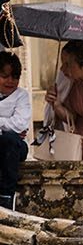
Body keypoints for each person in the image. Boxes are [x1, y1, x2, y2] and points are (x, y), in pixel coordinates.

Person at [0, 50, 28, 209]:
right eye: (5, 76)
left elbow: (19, 124)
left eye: (15, 77)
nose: (10, 81)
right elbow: (12, 125)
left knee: (10, 141)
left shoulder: (21, 96)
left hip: (16, 146)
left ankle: (6, 196)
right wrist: (6, 124)